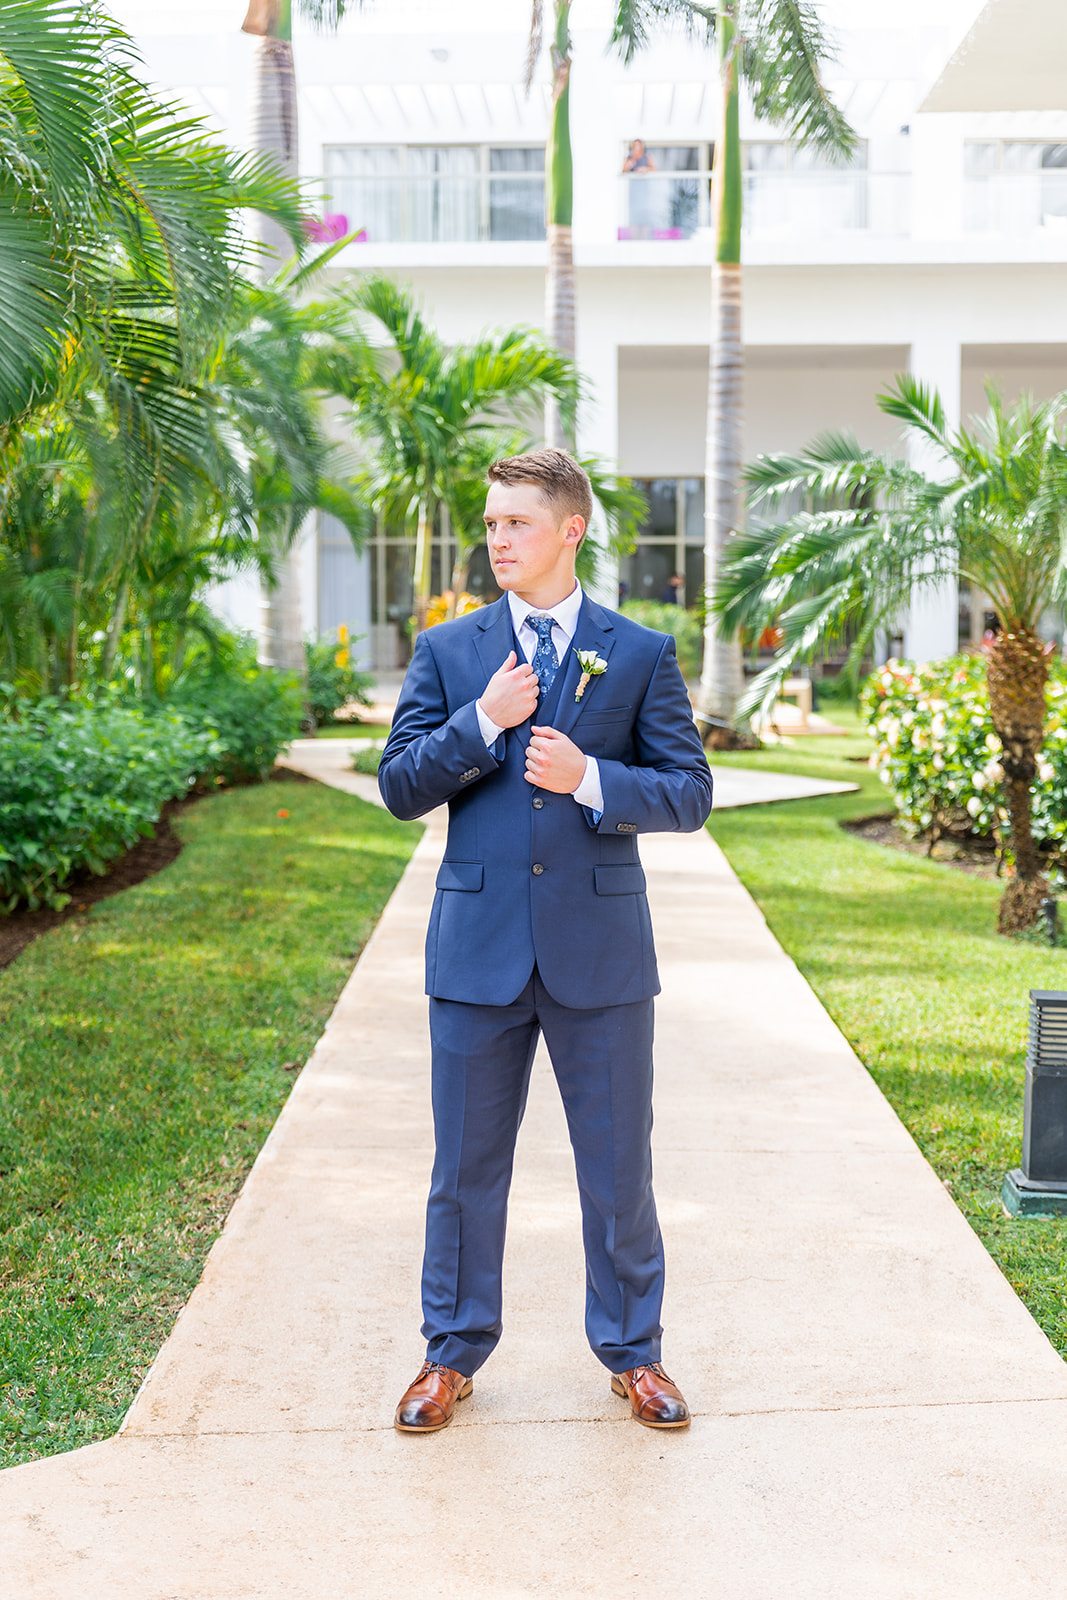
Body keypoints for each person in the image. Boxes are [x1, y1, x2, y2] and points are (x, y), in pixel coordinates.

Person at [379, 448, 713, 1435]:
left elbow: (690, 793)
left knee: (617, 1168)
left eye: (516, 523)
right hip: (475, 951)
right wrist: (480, 723)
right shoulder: (447, 652)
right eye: (489, 524)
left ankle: (633, 1353)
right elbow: (400, 787)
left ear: (570, 529)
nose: (496, 541)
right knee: (464, 1169)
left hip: (599, 954)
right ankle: (449, 1356)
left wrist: (593, 779)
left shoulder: (640, 651)